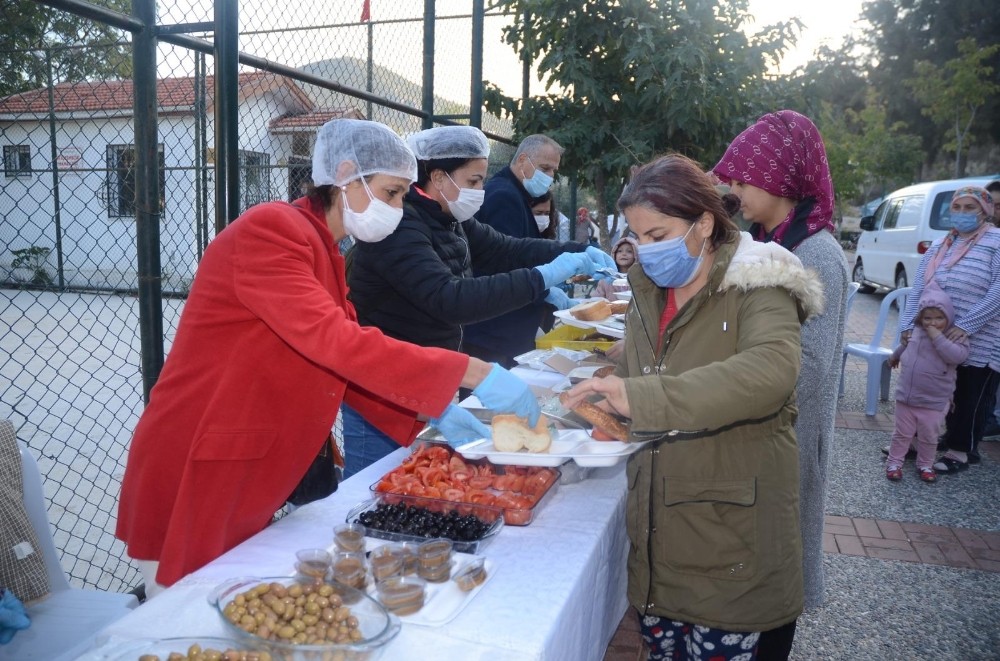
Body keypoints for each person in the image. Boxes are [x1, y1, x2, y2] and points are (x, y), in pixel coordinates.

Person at [115, 119, 544, 593]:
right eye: (393, 192)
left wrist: (431, 410)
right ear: (345, 175)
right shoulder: (271, 231)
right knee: (188, 615)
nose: (399, 209)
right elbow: (337, 341)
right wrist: (472, 372)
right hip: (197, 455)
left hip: (247, 461)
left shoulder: (323, 247)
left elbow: (341, 365)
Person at [561, 154, 822, 661]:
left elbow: (768, 374)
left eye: (659, 235)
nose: (648, 251)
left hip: (730, 543)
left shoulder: (760, 283)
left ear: (703, 223)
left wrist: (639, 396)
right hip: (662, 540)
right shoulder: (649, 291)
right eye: (640, 238)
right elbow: (657, 375)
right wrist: (608, 391)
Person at [342, 125, 599, 477]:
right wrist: (542, 278)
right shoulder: (400, 226)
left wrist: (576, 252)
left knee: (422, 483)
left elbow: (505, 248)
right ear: (438, 177)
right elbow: (451, 298)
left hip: (429, 378)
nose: (481, 191)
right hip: (382, 392)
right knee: (373, 488)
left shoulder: (448, 218)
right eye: (474, 181)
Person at [713, 109, 850, 656]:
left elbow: (808, 373)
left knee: (779, 568)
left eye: (744, 180)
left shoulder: (817, 254)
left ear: (784, 178)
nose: (734, 189)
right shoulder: (766, 240)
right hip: (754, 433)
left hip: (785, 441)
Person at [463, 135, 616, 367]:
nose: (550, 177)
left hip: (504, 325)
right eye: (545, 168)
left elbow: (525, 249)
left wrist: (576, 252)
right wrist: (546, 289)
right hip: (495, 329)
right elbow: (508, 257)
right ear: (523, 160)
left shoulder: (515, 194)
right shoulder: (504, 196)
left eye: (554, 171)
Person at [898, 186, 1000, 473]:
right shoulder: (941, 243)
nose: (963, 214)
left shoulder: (996, 242)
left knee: (971, 394)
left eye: (971, 208)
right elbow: (918, 288)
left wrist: (967, 326)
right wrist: (907, 325)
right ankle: (922, 441)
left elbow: (998, 291)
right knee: (933, 389)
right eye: (958, 207)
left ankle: (960, 451)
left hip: (981, 337)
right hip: (936, 334)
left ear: (985, 211)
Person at [885, 285, 969, 482]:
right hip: (907, 396)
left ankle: (925, 464)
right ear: (920, 318)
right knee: (901, 434)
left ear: (948, 317)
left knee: (929, 437)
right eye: (928, 318)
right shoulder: (915, 332)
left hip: (934, 401)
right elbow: (905, 346)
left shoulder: (953, 336)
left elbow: (957, 357)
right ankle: (894, 462)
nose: (933, 323)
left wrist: (938, 338)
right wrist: (895, 357)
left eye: (939, 318)